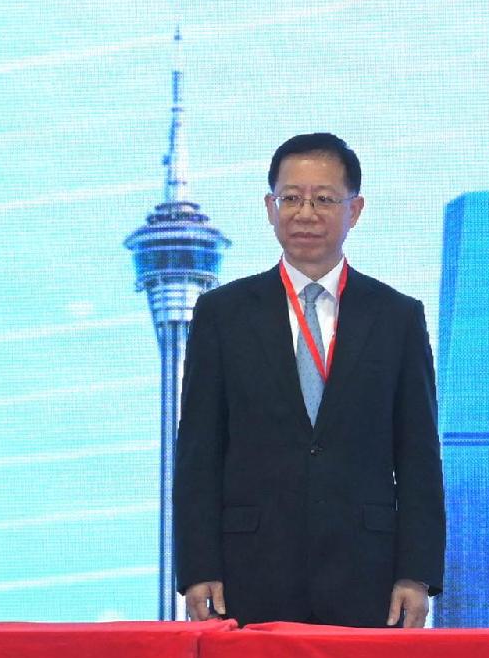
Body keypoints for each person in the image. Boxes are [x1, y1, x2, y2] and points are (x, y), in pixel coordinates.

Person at [173, 132, 445, 627]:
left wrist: (417, 575)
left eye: (324, 199)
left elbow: (419, 456)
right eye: (290, 198)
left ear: (355, 210)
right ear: (269, 207)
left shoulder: (397, 317)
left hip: (369, 574)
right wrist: (197, 568)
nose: (305, 213)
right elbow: (198, 452)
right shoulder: (222, 314)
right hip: (246, 572)